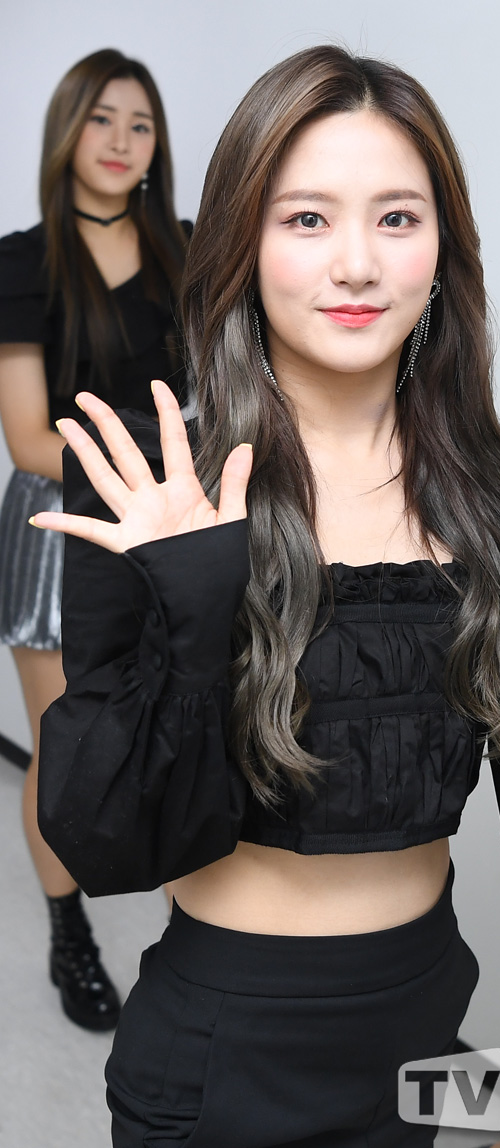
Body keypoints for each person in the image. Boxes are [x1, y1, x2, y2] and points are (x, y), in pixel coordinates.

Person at [33, 46, 500, 1147]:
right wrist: (195, 602)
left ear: (442, 248)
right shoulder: (157, 480)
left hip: (424, 1019)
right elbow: (107, 841)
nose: (358, 263)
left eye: (397, 218)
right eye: (308, 219)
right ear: (243, 241)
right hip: (223, 1048)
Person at [0, 48, 190, 1032]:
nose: (121, 141)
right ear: (67, 131)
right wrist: (155, 467)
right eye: (102, 119)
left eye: (141, 124)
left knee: (176, 734)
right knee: (64, 751)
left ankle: (194, 938)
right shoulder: (22, 260)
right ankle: (67, 931)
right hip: (63, 527)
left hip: (169, 522)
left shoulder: (187, 250)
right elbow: (29, 440)